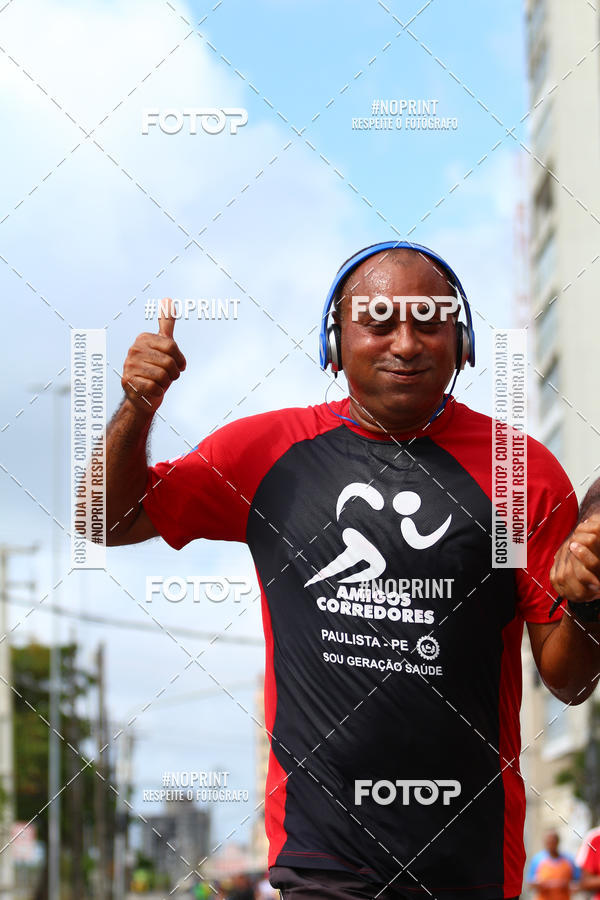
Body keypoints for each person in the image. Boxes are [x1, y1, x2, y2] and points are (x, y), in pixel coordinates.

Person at [101, 241, 600, 900]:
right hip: (322, 857)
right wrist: (138, 407)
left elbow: (567, 682)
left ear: (464, 341)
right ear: (334, 344)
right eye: (380, 321)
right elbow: (103, 522)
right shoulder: (268, 454)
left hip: (472, 859)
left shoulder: (519, 472)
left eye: (429, 322)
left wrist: (590, 600)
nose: (407, 342)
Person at [527, 830, 579, 900]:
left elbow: (578, 882)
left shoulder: (569, 860)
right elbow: (530, 884)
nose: (551, 845)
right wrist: (542, 884)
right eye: (548, 842)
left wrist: (567, 885)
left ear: (558, 842)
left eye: (553, 842)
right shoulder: (537, 859)